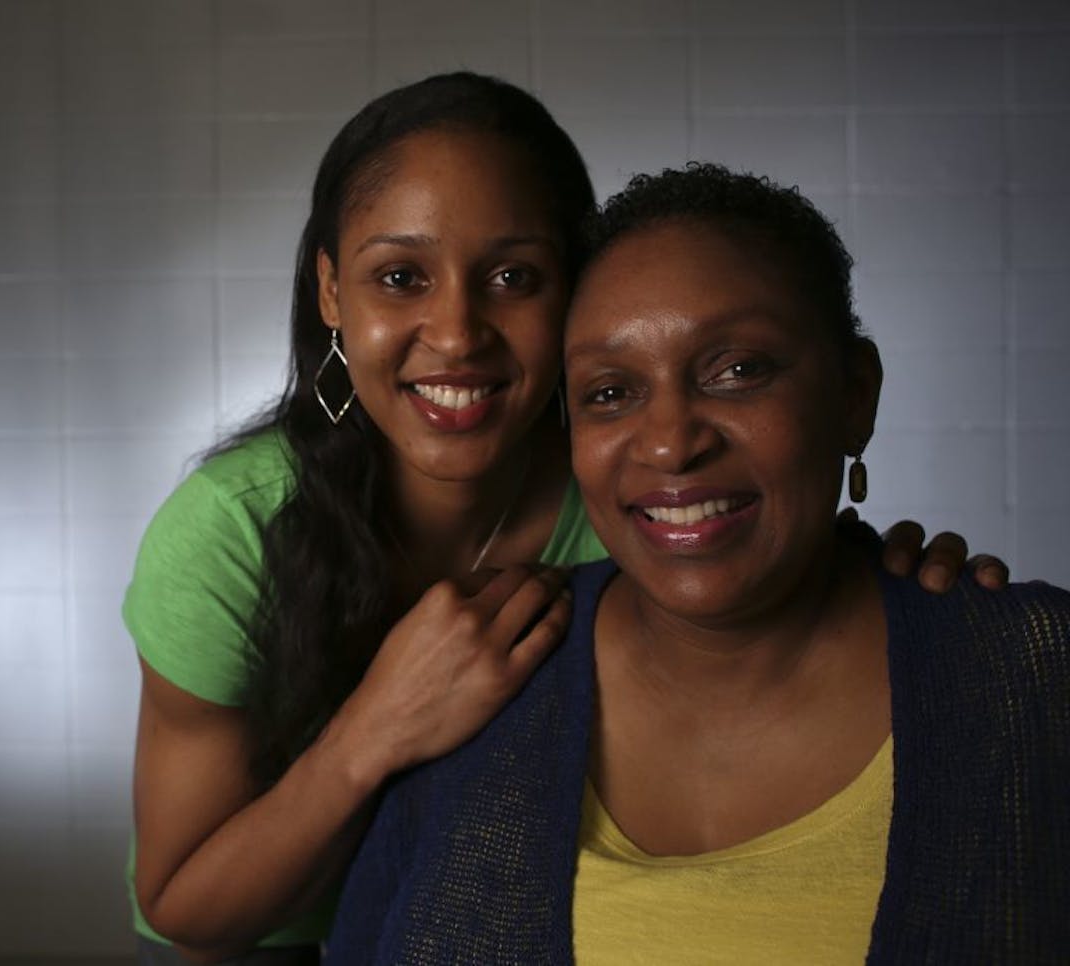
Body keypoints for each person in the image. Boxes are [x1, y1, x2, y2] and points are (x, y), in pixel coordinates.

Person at [125, 76, 1007, 965]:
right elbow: (185, 912)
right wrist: (376, 729)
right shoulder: (231, 533)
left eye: (514, 276)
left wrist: (887, 588)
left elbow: (776, 581)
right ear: (330, 292)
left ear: (576, 296)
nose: (458, 331)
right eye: (400, 277)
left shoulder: (639, 492)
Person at [325, 164, 1070, 964]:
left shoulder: (1031, 679)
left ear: (855, 394)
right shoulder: (482, 682)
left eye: (738, 371)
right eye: (611, 393)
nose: (672, 441)